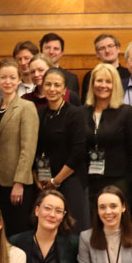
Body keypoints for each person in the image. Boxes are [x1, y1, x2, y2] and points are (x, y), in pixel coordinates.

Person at [0, 58, 39, 235]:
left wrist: (20, 182)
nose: (7, 81)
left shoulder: (26, 107)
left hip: (17, 184)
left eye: (12, 77)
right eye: (3, 77)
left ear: (18, 80)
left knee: (17, 231)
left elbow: (28, 148)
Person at [33, 68, 89, 228]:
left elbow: (78, 152)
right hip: (45, 180)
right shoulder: (39, 113)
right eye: (48, 84)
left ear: (64, 89)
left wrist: (56, 181)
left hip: (71, 180)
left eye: (57, 85)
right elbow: (35, 147)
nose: (52, 89)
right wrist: (36, 175)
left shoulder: (75, 114)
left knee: (73, 228)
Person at [83, 62, 132, 208]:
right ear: (92, 84)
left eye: (108, 81)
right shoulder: (81, 112)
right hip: (88, 182)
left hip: (117, 182)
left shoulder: (126, 113)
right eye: (99, 80)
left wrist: (128, 181)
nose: (103, 85)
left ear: (115, 85)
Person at [40, 32, 80, 96]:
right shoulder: (35, 76)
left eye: (56, 49)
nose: (51, 52)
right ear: (41, 51)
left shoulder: (71, 78)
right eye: (47, 48)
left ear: (62, 53)